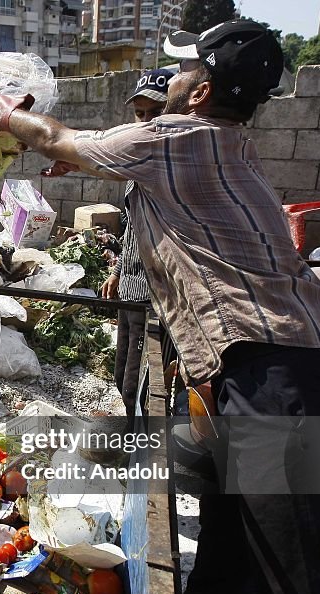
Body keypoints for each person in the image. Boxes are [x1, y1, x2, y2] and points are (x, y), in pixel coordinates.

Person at [0, 20, 320, 594]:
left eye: (181, 70)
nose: (170, 78)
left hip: (278, 390)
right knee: (224, 512)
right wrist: (85, 156)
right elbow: (146, 186)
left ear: (200, 91)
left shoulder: (178, 137)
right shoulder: (226, 144)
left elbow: (61, 136)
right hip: (283, 377)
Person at [105, 69, 171, 429]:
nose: (146, 122)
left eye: (154, 113)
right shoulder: (138, 165)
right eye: (140, 114)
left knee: (142, 383)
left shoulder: (172, 168)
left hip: (155, 298)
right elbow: (131, 225)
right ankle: (133, 432)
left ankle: (140, 447)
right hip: (130, 291)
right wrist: (116, 271)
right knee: (121, 375)